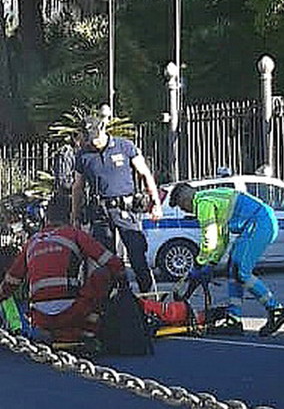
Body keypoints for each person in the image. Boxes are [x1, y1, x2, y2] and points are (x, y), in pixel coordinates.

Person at [169, 183, 284, 336]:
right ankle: (234, 319)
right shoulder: (212, 198)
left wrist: (200, 263)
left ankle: (276, 309)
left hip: (259, 223)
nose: (183, 210)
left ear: (184, 200)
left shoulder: (202, 203)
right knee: (233, 270)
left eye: (180, 207)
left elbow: (210, 238)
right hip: (260, 222)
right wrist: (212, 263)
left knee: (241, 271)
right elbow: (222, 240)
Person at [0, 196, 125, 343]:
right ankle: (88, 332)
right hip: (72, 313)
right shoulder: (74, 234)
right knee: (102, 275)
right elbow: (113, 264)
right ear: (70, 217)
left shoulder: (32, 242)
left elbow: (11, 281)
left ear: (46, 218)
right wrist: (121, 283)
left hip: (40, 318)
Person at [71, 112, 162, 293]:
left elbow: (145, 174)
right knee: (105, 260)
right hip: (100, 212)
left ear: (103, 129)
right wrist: (75, 216)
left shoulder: (124, 146)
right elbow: (77, 187)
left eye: (96, 137)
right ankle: (115, 300)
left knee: (137, 256)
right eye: (90, 138)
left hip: (125, 209)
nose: (93, 142)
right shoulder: (83, 155)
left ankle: (150, 297)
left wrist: (155, 202)